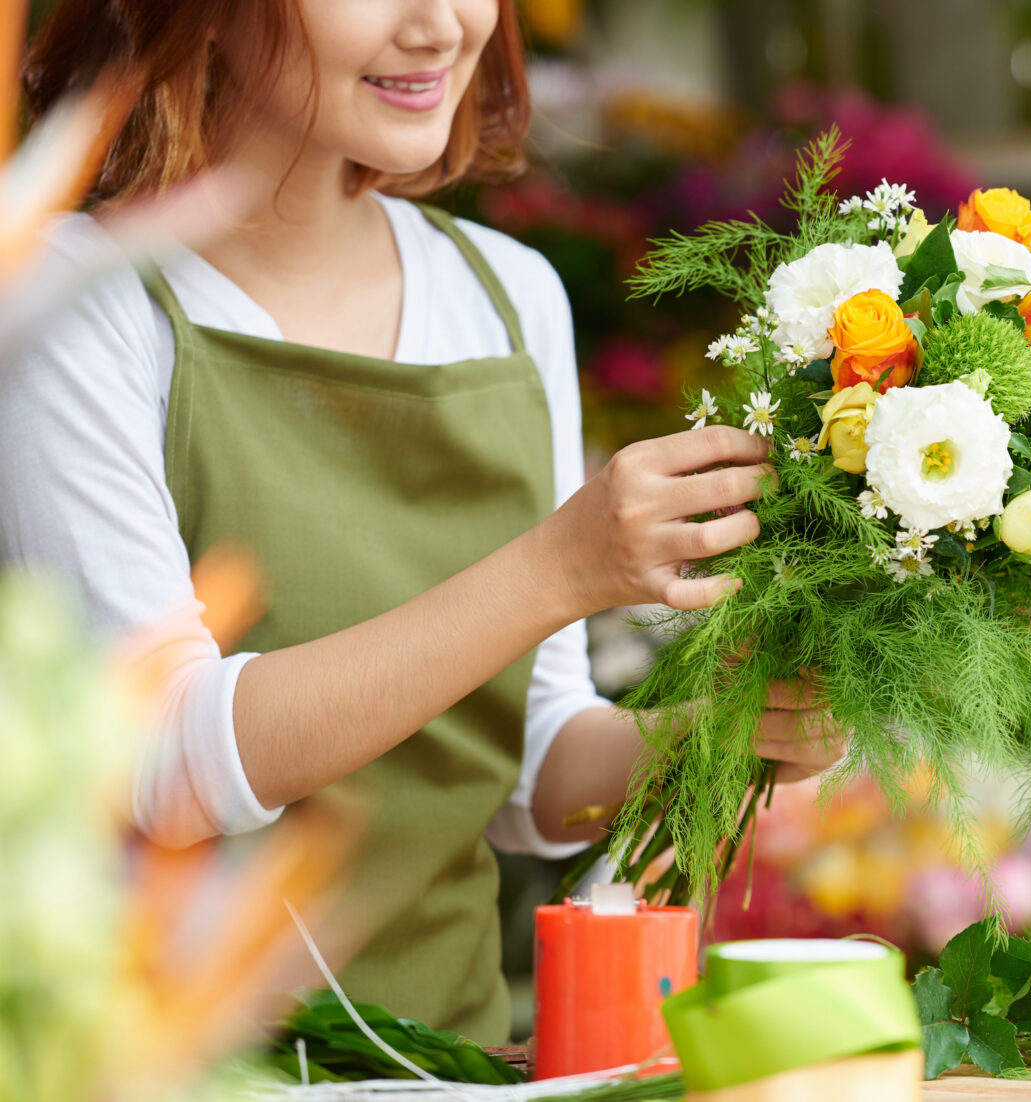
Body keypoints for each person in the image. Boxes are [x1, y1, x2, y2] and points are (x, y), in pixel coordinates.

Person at [0, 0, 838, 1043]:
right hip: (176, 1066)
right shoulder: (80, 299)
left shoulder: (505, 295)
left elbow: (525, 766)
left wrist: (720, 732)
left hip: (458, 1057)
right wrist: (557, 569)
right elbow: (159, 760)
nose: (442, 24)